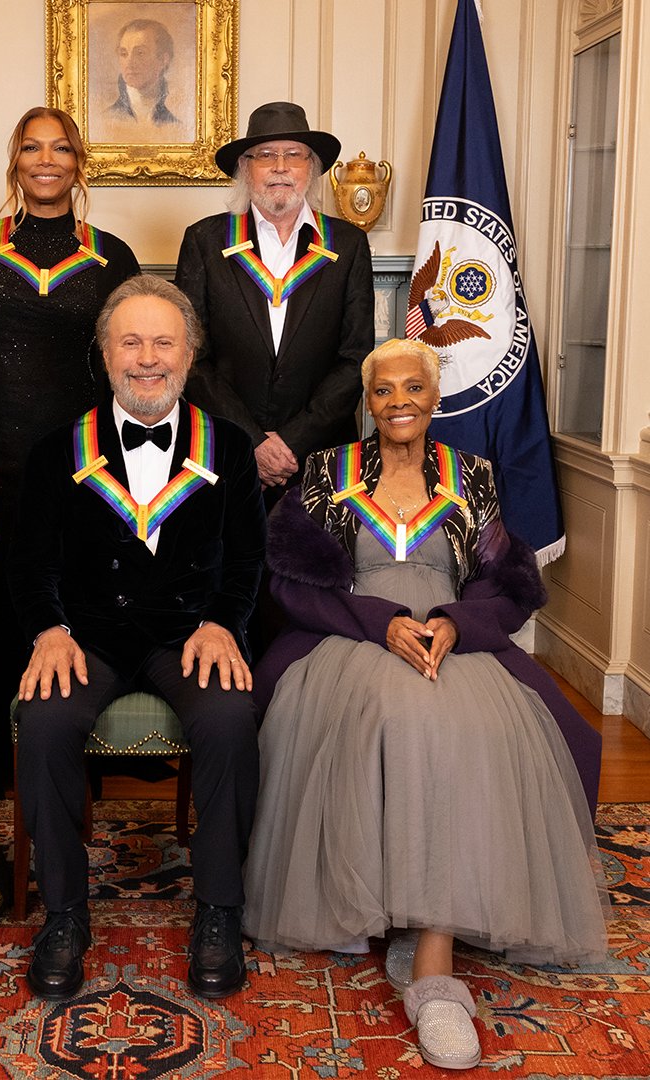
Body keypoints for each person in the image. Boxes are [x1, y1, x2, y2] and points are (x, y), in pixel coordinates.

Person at [243, 338, 608, 1070]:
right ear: (368, 402)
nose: (400, 401)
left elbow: (506, 585)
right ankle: (380, 904)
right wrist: (380, 622)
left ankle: (435, 968)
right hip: (348, 637)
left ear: (434, 400)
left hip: (450, 639)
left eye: (415, 388)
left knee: (465, 723)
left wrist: (451, 624)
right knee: (394, 716)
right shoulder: (326, 472)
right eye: (385, 390)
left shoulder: (471, 475)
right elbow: (291, 585)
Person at [9, 275, 265, 1001]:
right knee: (47, 719)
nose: (146, 358)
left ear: (190, 354)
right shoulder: (57, 450)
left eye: (162, 342)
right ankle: (65, 914)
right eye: (130, 341)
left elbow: (249, 559)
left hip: (188, 634)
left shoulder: (232, 449)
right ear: (104, 352)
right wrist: (47, 631)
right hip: (87, 635)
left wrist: (225, 623)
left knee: (228, 718)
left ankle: (218, 908)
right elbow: (29, 562)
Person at [0, 106, 140, 797]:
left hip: (84, 477)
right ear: (15, 162)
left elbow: (137, 372)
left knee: (74, 611)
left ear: (80, 164)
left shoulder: (114, 258)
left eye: (62, 148)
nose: (47, 160)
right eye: (32, 148)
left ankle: (70, 759)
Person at [175, 101, 374, 492]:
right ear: (245, 168)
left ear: (312, 168)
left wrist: (291, 441)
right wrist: (254, 441)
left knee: (314, 555)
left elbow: (355, 359)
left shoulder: (348, 245)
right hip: (226, 452)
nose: (280, 166)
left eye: (294, 155)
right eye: (265, 155)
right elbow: (192, 357)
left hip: (321, 456)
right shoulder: (204, 241)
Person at [105, 18, 180, 132]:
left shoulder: (176, 126)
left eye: (140, 53)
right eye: (123, 53)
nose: (129, 63)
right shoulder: (105, 120)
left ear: (163, 60)